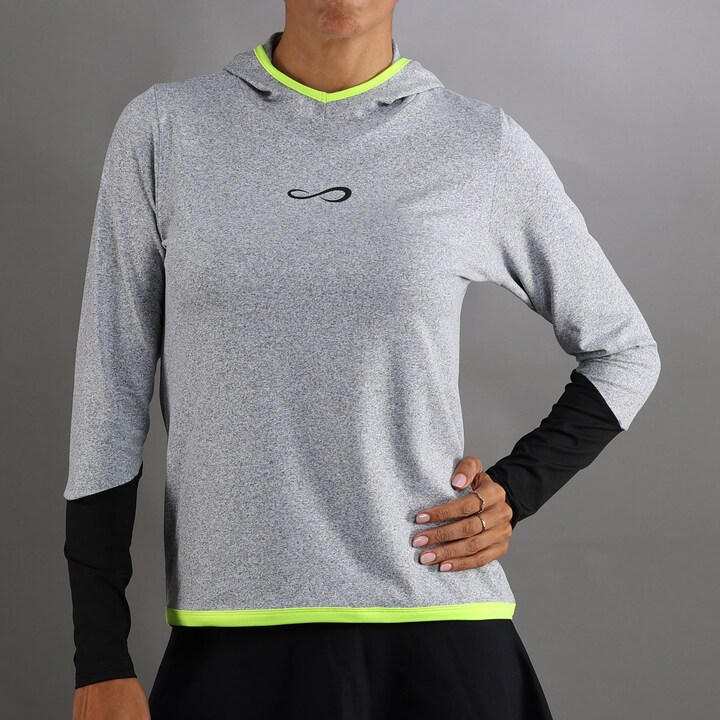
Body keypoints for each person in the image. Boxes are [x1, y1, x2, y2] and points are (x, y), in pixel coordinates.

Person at [64, 2, 661, 718]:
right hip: (232, 637)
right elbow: (109, 396)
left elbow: (624, 350)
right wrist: (100, 654)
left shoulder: (478, 144)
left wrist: (514, 490)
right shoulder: (167, 129)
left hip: (436, 626)